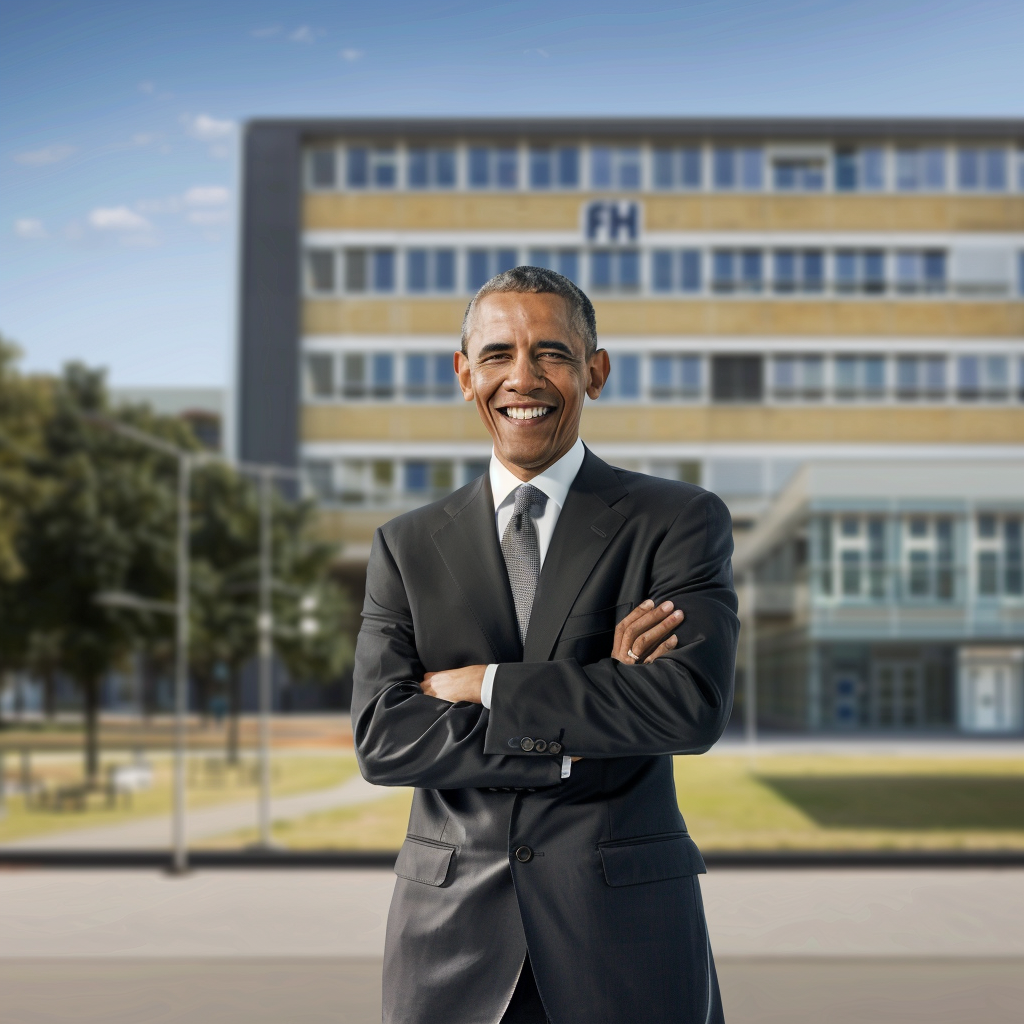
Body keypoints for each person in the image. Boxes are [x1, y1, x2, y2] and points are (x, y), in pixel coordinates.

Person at [352, 266, 739, 1024]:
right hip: (448, 943)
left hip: (624, 938)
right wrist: (592, 704)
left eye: (552, 354)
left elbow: (686, 709)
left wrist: (485, 683)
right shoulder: (405, 546)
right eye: (497, 355)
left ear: (596, 371)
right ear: (465, 374)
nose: (521, 379)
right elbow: (383, 738)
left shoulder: (677, 521)